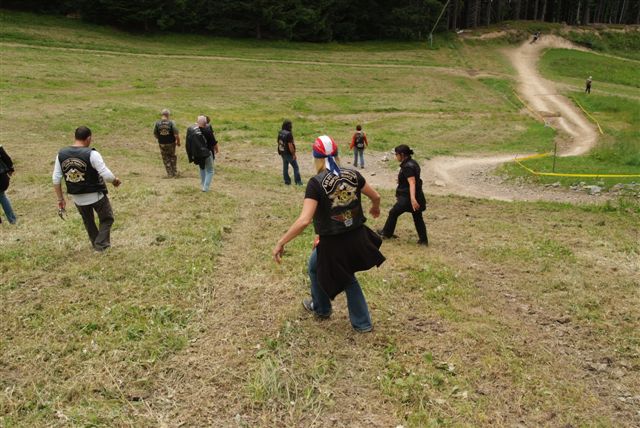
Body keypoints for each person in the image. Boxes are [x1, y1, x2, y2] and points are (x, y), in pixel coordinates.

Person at [273, 135, 385, 332]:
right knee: (314, 266)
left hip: (335, 243)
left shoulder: (315, 183)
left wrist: (281, 242)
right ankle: (321, 307)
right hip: (356, 234)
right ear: (337, 155)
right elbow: (376, 196)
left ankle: (361, 323)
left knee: (347, 278)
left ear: (316, 157)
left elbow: (304, 220)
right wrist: (375, 208)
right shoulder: (353, 174)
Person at [52, 126, 122, 251]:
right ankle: (101, 244)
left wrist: (60, 199)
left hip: (77, 197)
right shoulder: (92, 154)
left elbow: (56, 179)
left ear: (75, 137)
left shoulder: (61, 155)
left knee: (88, 221)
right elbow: (106, 174)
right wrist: (114, 181)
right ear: (88, 138)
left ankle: (96, 244)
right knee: (107, 218)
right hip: (96, 195)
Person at [378, 144, 428, 246]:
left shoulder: (407, 166)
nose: (395, 156)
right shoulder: (413, 162)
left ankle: (386, 233)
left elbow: (412, 182)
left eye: (396, 154)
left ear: (402, 154)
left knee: (393, 213)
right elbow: (414, 179)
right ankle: (423, 241)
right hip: (417, 195)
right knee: (417, 217)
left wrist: (412, 199)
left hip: (408, 197)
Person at [186, 115, 218, 192]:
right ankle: (205, 188)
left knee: (202, 168)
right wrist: (217, 150)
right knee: (210, 170)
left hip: (197, 153)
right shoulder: (208, 131)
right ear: (206, 123)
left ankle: (203, 184)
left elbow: (188, 143)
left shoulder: (192, 130)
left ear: (197, 122)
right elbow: (213, 143)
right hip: (207, 153)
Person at [153, 108, 181, 178]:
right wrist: (178, 142)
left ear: (162, 114)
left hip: (162, 143)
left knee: (165, 158)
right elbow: (176, 134)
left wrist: (161, 139)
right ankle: (175, 172)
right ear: (168, 115)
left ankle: (169, 174)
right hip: (171, 143)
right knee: (172, 156)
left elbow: (155, 134)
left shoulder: (157, 123)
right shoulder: (171, 123)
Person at [277, 119, 302, 185]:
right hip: (288, 153)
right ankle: (298, 182)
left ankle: (287, 181)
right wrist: (293, 154)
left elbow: (279, 142)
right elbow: (290, 146)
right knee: (296, 167)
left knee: (285, 167)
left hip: (282, 152)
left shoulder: (280, 132)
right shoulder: (289, 134)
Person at [0, 145, 17, 224]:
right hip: (2, 177)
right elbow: (7, 158)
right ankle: (12, 219)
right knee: (2, 196)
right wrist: (10, 169)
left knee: (2, 196)